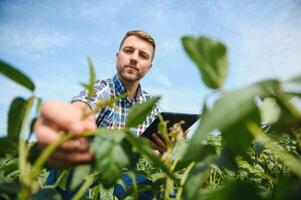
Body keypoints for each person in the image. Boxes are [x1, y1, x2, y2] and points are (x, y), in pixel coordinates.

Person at [34, 30, 166, 199]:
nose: (134, 58)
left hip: (121, 177)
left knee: (161, 192)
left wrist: (167, 147)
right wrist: (73, 119)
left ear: (149, 67)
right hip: (83, 167)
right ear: (118, 56)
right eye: (128, 50)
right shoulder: (105, 89)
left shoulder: (150, 107)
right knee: (67, 168)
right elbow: (84, 106)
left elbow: (153, 152)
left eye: (143, 55)